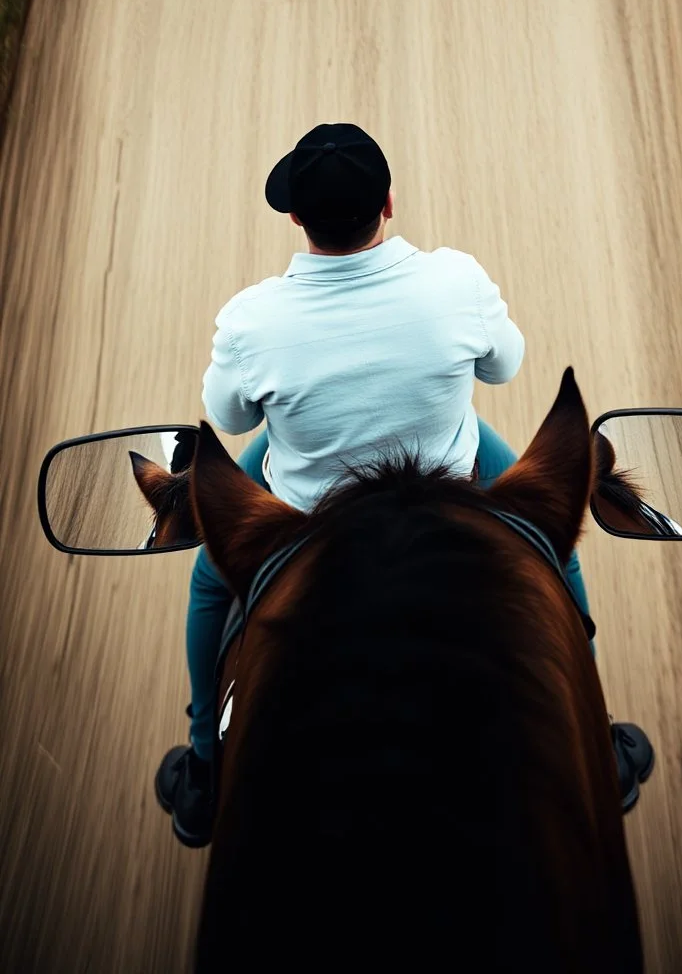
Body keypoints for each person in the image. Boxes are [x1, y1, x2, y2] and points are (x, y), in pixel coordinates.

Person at [155, 123, 653, 847]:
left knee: (209, 580)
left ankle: (204, 769)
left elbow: (227, 417)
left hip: (305, 501)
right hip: (447, 471)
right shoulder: (456, 280)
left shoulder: (250, 322)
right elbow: (504, 367)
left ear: (295, 216)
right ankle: (598, 739)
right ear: (388, 204)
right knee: (552, 544)